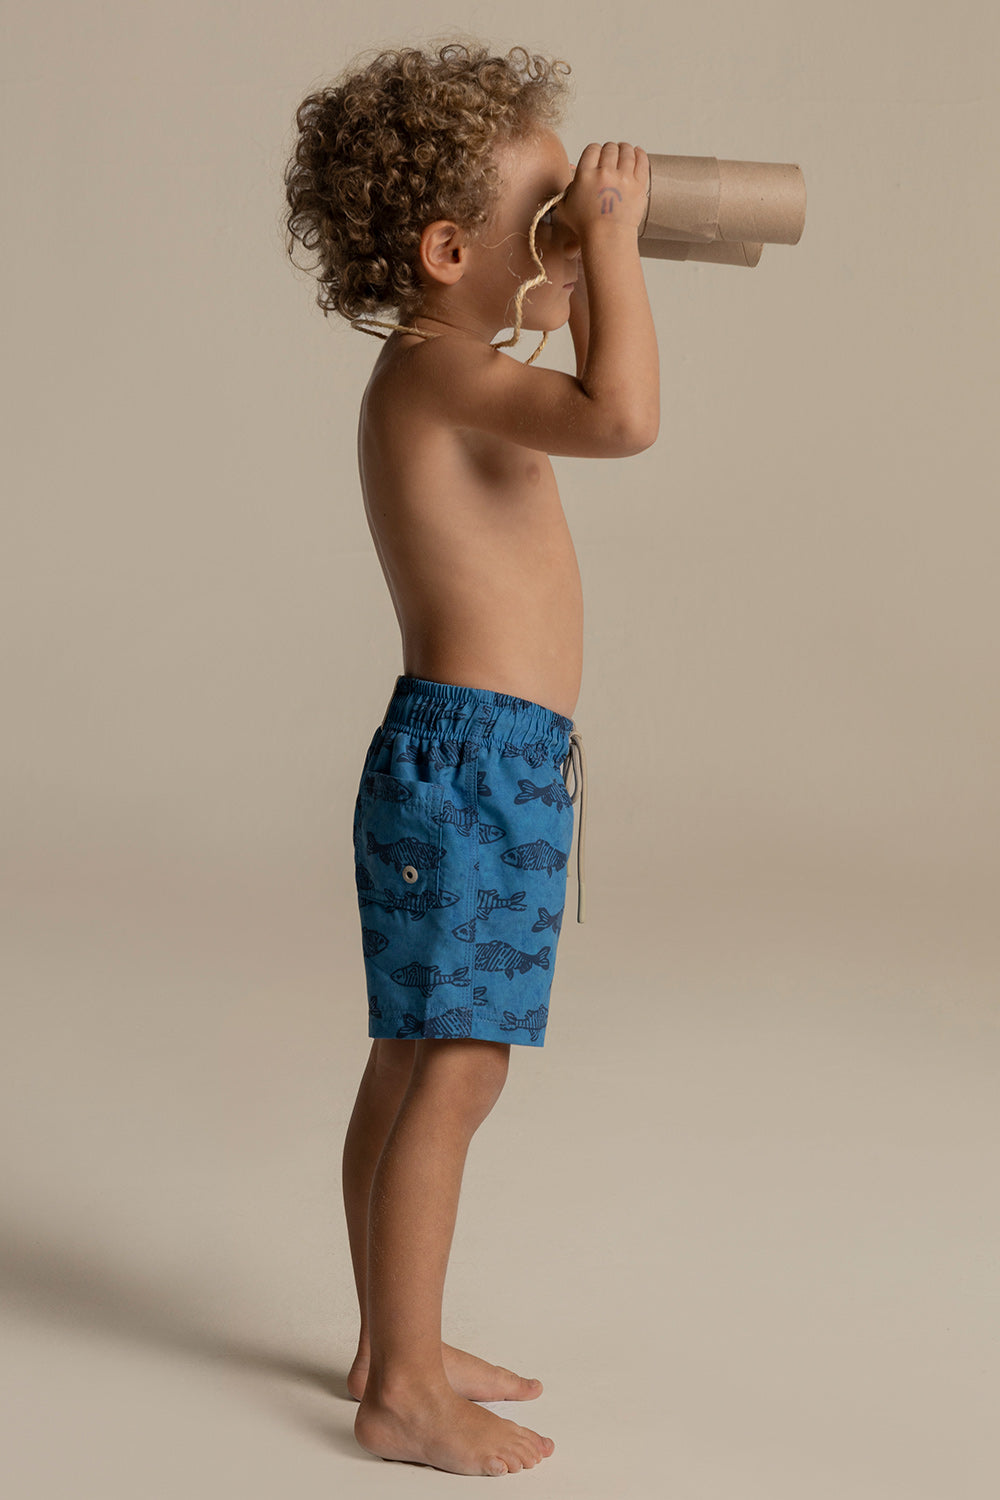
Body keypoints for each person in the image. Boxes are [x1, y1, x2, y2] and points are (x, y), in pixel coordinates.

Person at [283, 39, 658, 1477]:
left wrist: (584, 254)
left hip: (479, 763)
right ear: (451, 253)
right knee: (457, 1068)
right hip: (476, 770)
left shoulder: (449, 368)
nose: (573, 237)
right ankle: (402, 1393)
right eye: (545, 218)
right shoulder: (444, 374)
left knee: (412, 1059)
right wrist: (609, 244)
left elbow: (584, 369)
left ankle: (397, 1344)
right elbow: (624, 415)